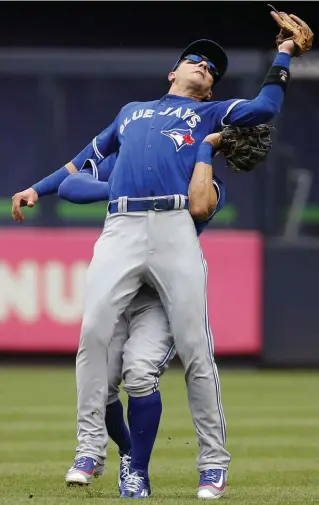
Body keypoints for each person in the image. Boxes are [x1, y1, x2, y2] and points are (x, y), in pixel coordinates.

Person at [11, 32, 296, 499]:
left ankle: (213, 465)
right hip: (122, 225)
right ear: (173, 72)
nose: (204, 64)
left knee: (196, 349)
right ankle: (89, 450)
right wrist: (35, 190)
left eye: (211, 68)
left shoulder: (207, 116)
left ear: (211, 90)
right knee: (93, 334)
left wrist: (284, 54)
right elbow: (82, 163)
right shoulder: (131, 112)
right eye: (195, 59)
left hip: (171, 226)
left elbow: (265, 107)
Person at [58, 142, 226, 497]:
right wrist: (120, 188)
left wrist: (206, 155)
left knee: (139, 372)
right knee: (98, 382)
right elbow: (70, 186)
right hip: (122, 285)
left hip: (161, 297)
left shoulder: (200, 178)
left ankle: (139, 472)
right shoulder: (129, 164)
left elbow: (203, 205)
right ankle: (125, 451)